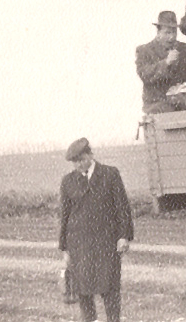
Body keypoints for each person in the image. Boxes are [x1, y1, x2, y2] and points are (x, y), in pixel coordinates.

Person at [58, 138, 133, 322]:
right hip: (79, 244)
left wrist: (124, 236)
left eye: (81, 160)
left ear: (90, 155)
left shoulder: (110, 174)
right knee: (83, 291)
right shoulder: (68, 181)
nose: (78, 165)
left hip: (106, 242)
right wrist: (64, 248)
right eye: (75, 162)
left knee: (110, 287)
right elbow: (64, 215)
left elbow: (122, 207)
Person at [135, 11, 186, 113]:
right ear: (158, 32)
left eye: (174, 32)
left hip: (182, 106)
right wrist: (166, 63)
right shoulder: (144, 50)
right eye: (167, 32)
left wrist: (184, 89)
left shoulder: (185, 49)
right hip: (156, 106)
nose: (172, 37)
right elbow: (144, 75)